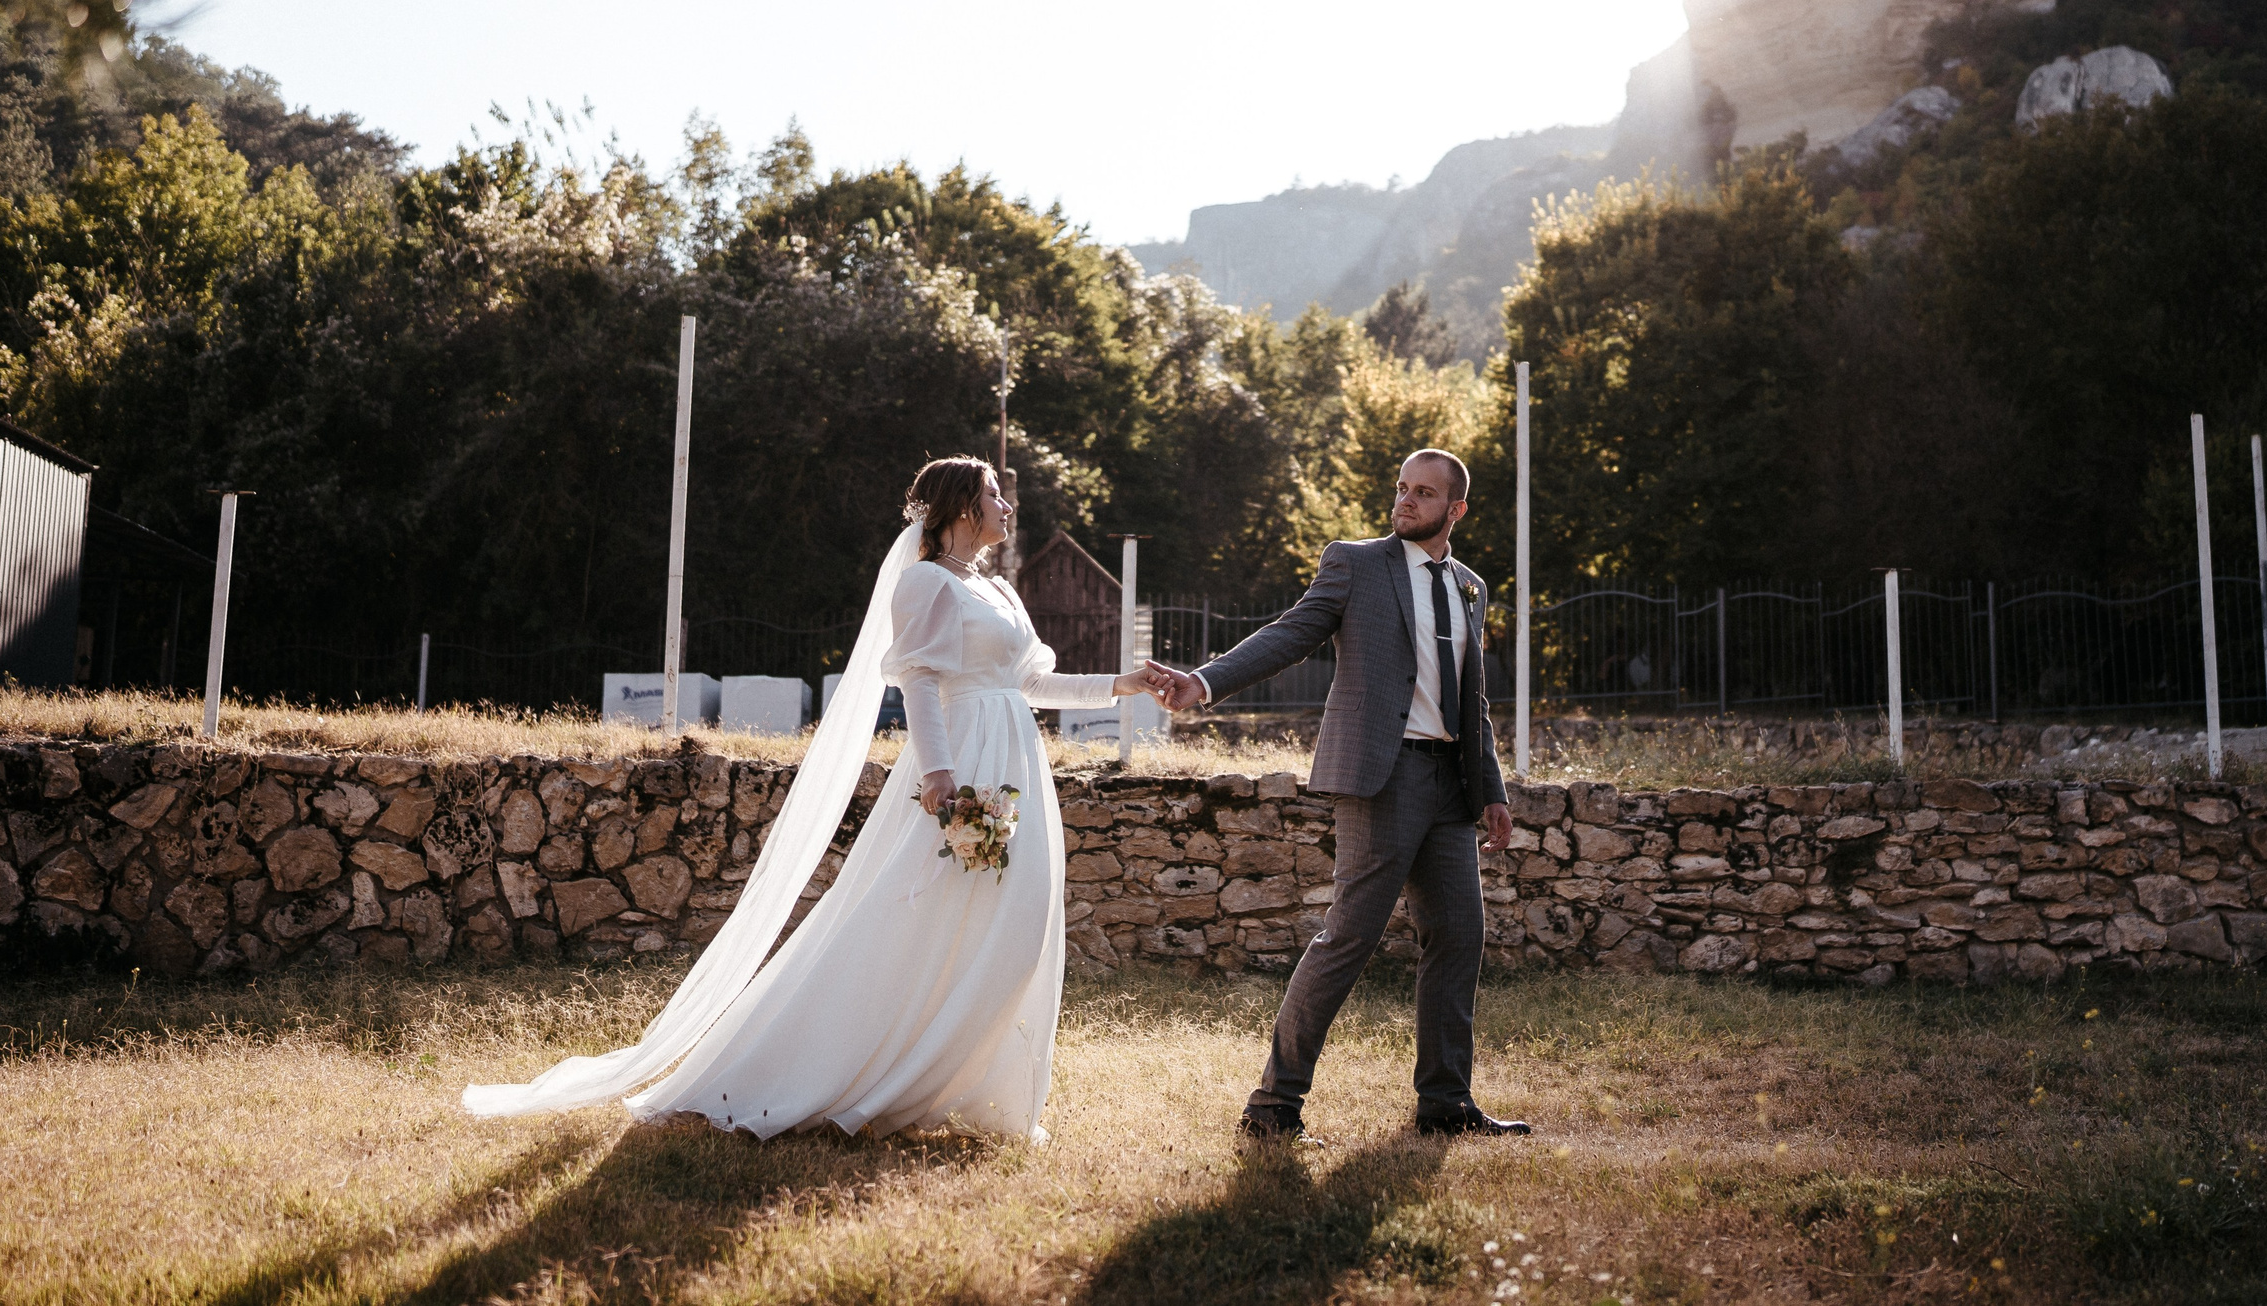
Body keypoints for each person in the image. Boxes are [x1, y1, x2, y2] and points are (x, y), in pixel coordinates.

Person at [464, 457, 1173, 1141]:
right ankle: (832, 1066)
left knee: (1012, 921)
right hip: (962, 757)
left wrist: (1122, 685)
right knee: (915, 913)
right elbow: (920, 682)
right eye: (996, 494)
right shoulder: (926, 584)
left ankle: (962, 1080)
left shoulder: (999, 590)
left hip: (1015, 754)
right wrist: (938, 775)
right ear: (963, 506)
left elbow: (1033, 684)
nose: (1007, 506)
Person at [1152, 448, 1527, 1143]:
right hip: (1381, 777)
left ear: (1456, 510)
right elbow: (1292, 634)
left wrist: (1492, 789)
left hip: (1451, 785)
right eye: (1402, 489)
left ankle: (1445, 1104)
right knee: (1349, 936)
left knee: (1459, 935)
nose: (1406, 501)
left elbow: (1472, 701)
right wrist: (1205, 681)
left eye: (1424, 493)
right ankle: (1273, 1105)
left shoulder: (1469, 585)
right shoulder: (1356, 563)